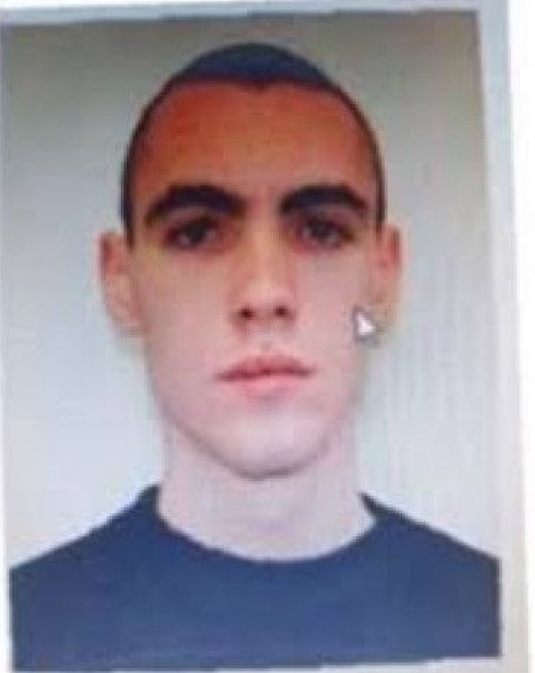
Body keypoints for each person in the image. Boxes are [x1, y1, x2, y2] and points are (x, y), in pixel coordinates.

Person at [9, 42, 499, 670]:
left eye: (321, 229)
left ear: (383, 277)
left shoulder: (498, 611)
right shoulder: (28, 629)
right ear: (121, 283)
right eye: (196, 231)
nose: (265, 293)